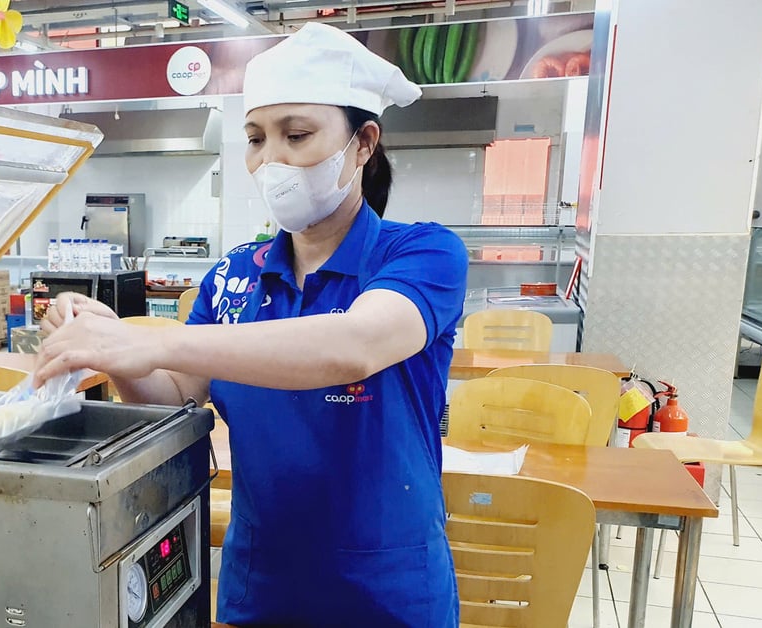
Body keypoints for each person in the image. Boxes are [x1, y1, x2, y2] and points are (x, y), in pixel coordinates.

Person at [36, 22, 466, 627]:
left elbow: (353, 345)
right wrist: (117, 350)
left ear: (364, 143)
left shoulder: (421, 254)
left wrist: (151, 339)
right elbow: (179, 397)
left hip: (384, 590)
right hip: (262, 585)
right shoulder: (235, 277)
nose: (272, 161)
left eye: (297, 135)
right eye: (256, 139)